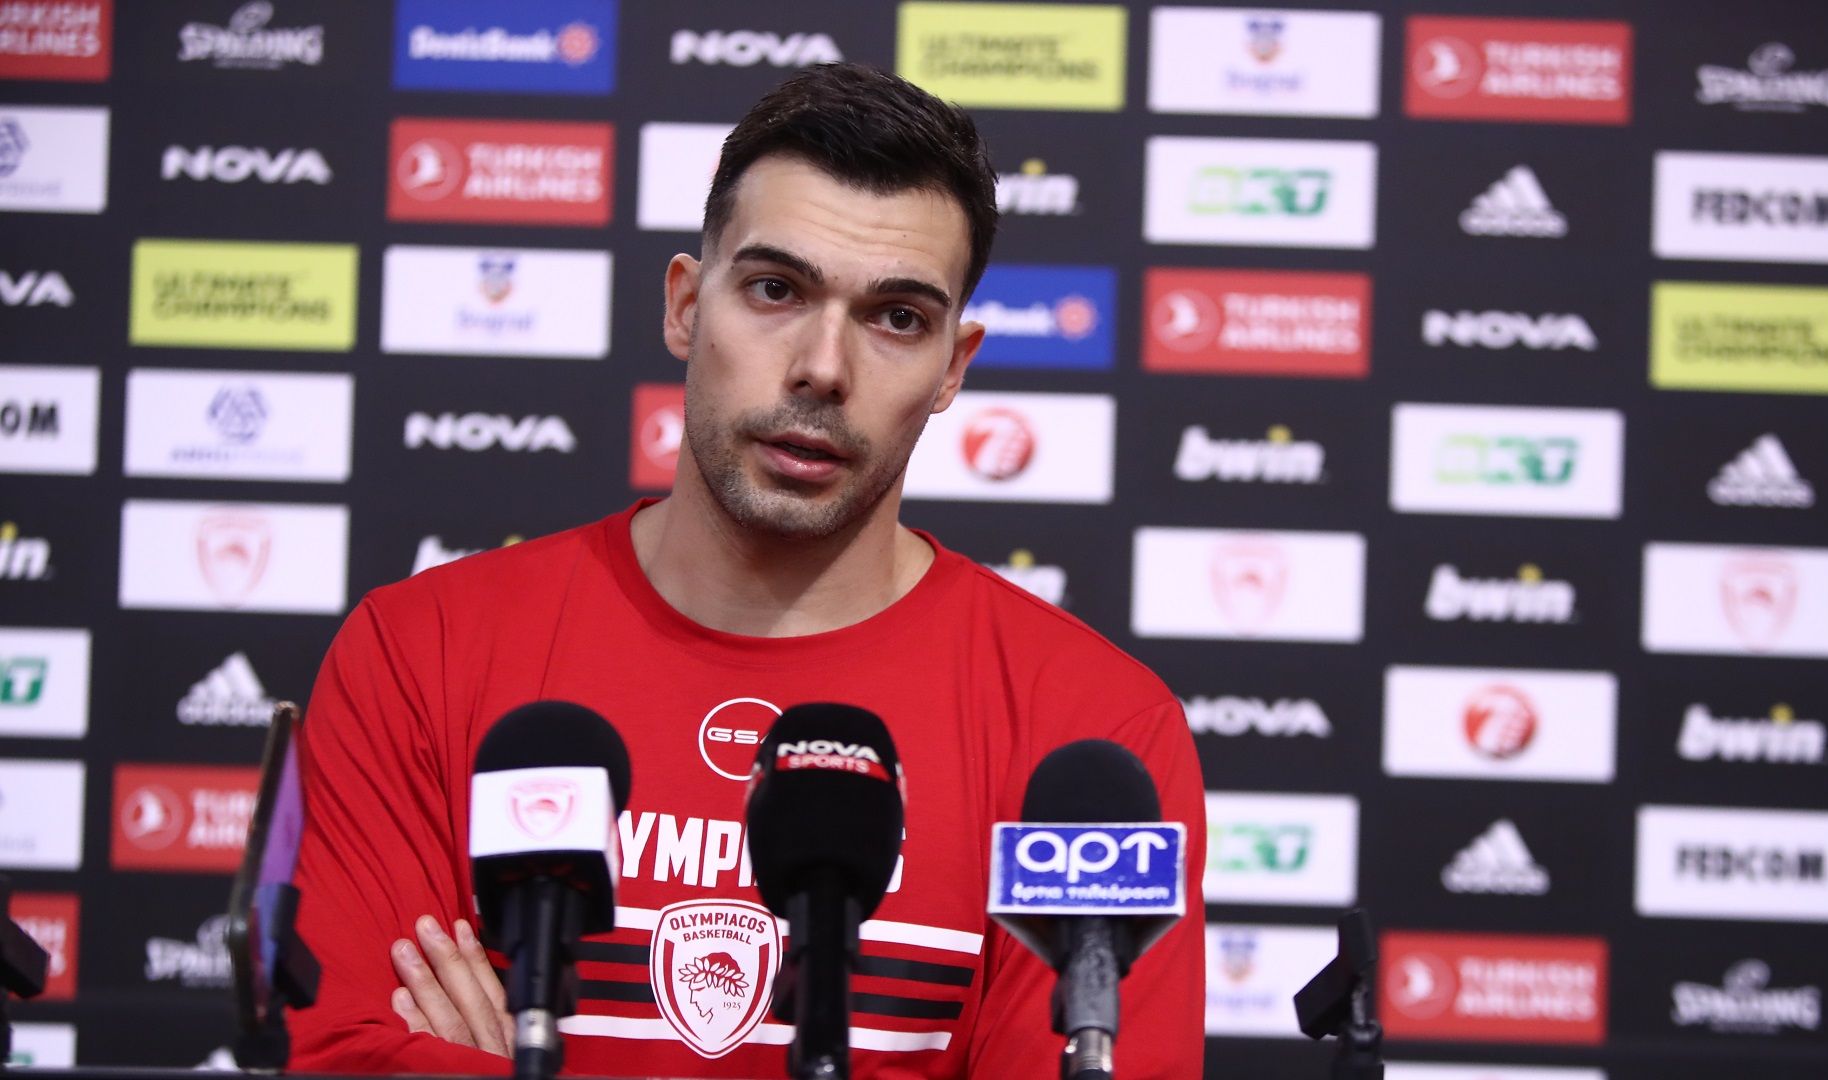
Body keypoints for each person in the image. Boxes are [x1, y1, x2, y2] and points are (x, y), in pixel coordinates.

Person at [286, 62, 1205, 1078]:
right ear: (686, 305)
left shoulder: (1092, 729)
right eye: (777, 290)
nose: (823, 367)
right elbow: (340, 1057)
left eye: (897, 317)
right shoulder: (422, 653)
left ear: (954, 366)